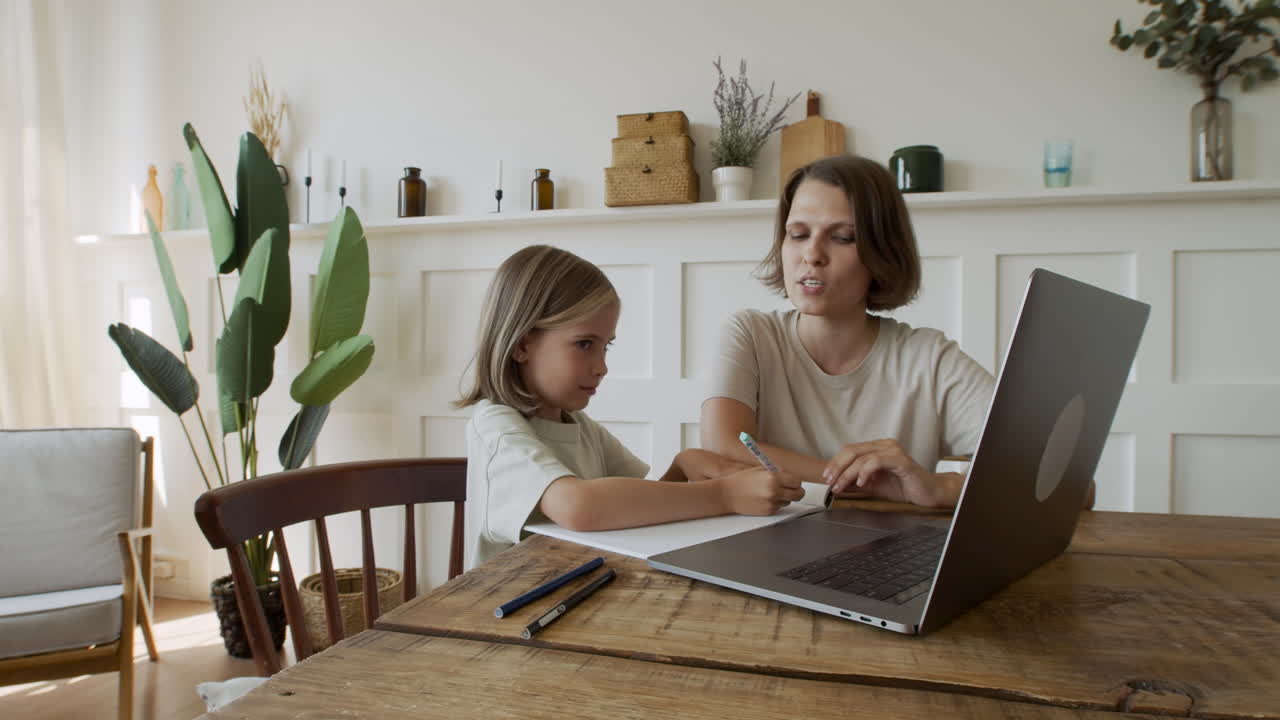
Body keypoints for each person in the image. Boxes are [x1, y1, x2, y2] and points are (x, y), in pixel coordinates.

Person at [457, 244, 804, 567]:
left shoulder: (576, 424)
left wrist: (682, 468)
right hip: (504, 614)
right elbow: (579, 507)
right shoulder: (496, 428)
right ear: (522, 346)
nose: (601, 366)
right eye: (584, 344)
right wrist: (724, 495)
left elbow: (631, 506)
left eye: (606, 346)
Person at [700, 154, 1001, 510]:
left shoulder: (929, 359)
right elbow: (722, 448)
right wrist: (879, 486)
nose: (811, 254)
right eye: (797, 234)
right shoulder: (750, 334)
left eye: (842, 238)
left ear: (882, 252)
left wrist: (936, 487)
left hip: (890, 556)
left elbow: (1058, 483)